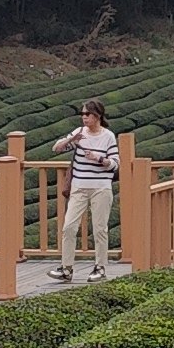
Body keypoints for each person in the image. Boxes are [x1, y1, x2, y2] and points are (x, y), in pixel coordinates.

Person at [53, 100, 120, 281]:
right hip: (79, 187)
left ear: (97, 116)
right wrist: (71, 140)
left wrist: (99, 159)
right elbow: (57, 148)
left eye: (87, 114)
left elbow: (115, 164)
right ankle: (66, 268)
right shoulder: (79, 133)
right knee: (68, 227)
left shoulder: (108, 136)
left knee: (99, 229)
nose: (84, 117)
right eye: (82, 114)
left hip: (101, 188)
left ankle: (100, 267)